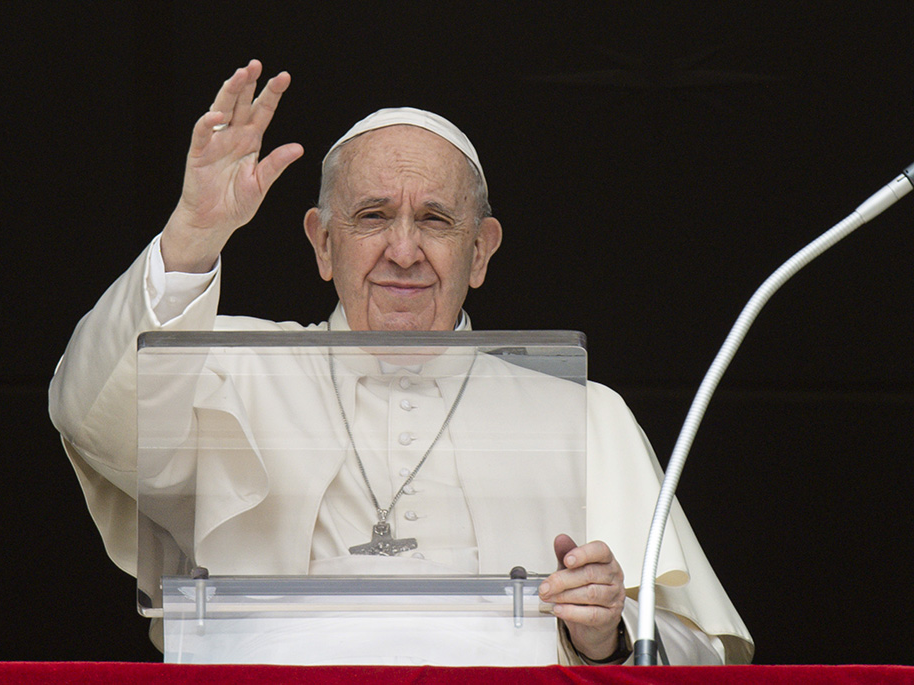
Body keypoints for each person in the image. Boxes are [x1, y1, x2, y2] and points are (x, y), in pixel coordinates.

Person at [49, 60, 753, 665]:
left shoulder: (583, 415)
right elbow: (92, 417)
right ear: (323, 244)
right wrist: (194, 235)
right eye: (373, 217)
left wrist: (606, 634)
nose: (405, 251)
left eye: (437, 220)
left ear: (480, 252)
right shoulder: (226, 369)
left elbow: (702, 654)